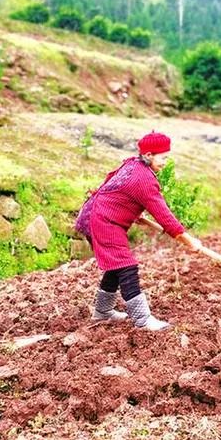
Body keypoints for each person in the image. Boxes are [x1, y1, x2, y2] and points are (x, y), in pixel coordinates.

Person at [75, 131, 202, 331]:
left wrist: (133, 214)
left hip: (96, 215)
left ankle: (102, 311)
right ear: (149, 155)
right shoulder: (143, 178)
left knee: (116, 266)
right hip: (102, 221)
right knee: (126, 266)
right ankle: (142, 319)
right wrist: (188, 240)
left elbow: (114, 189)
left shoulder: (133, 164)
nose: (166, 161)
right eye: (163, 157)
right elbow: (165, 217)